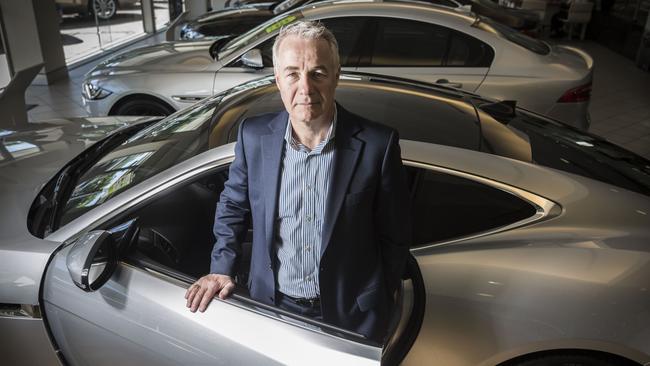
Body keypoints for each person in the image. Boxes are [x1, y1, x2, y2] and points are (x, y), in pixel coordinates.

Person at [184, 20, 412, 343]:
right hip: (271, 308)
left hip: (350, 317)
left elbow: (396, 234)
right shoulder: (253, 136)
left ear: (336, 76)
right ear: (278, 79)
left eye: (317, 73)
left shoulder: (378, 145)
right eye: (292, 73)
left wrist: (376, 296)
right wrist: (222, 266)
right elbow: (233, 206)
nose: (305, 88)